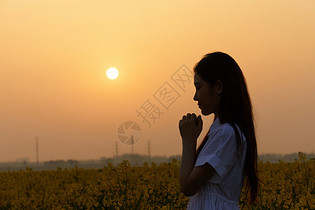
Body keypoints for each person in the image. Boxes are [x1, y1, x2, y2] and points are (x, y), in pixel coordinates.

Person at [178, 52, 259, 209]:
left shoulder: (226, 134)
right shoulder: (221, 131)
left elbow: (187, 187)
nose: (195, 97)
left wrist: (188, 140)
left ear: (219, 87)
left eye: (198, 87)